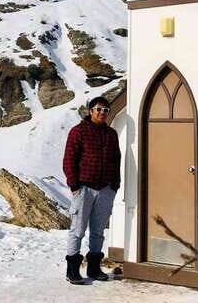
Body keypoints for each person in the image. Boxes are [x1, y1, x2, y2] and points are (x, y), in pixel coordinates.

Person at [62, 96, 121, 284]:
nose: (102, 113)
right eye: (98, 109)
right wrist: (74, 185)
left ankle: (94, 269)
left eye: (106, 110)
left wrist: (114, 185)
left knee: (98, 231)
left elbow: (116, 161)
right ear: (90, 111)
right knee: (77, 230)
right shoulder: (78, 132)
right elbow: (69, 160)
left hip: (105, 189)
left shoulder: (111, 134)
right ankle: (72, 271)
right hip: (84, 188)